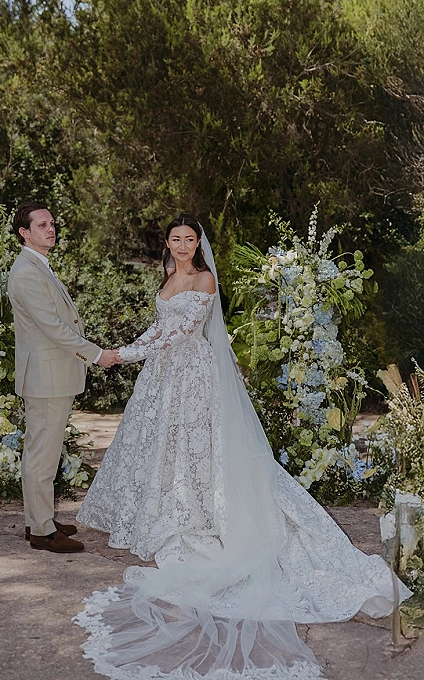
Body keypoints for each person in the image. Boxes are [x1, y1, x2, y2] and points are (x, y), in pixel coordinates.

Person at [75, 214, 411, 680]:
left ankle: (209, 514)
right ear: (167, 243)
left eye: (189, 240)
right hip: (163, 378)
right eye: (175, 240)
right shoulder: (170, 276)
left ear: (198, 243)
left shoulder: (206, 280)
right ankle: (177, 508)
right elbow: (157, 330)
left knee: (200, 449)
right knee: (166, 452)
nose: (182, 246)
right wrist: (126, 350)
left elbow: (179, 334)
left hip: (193, 376)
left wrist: (123, 356)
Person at [7, 201, 119, 555]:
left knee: (42, 452)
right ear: (24, 233)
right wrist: (96, 354)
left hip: (49, 375)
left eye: (52, 223)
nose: (50, 229)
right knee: (42, 455)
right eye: (42, 225)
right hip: (46, 377)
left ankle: (37, 520)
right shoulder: (26, 272)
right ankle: (41, 531)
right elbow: (54, 328)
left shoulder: (37, 266)